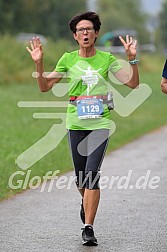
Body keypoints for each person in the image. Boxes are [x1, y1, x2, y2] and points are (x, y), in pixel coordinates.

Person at [26, 11, 139, 246]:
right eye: (80, 30)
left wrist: (132, 59)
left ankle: (88, 227)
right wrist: (39, 64)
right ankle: (85, 203)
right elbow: (45, 87)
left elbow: (132, 83)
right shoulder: (68, 59)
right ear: (75, 36)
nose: (85, 33)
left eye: (89, 29)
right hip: (76, 123)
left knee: (91, 174)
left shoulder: (106, 59)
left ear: (96, 33)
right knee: (80, 178)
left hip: (100, 122)